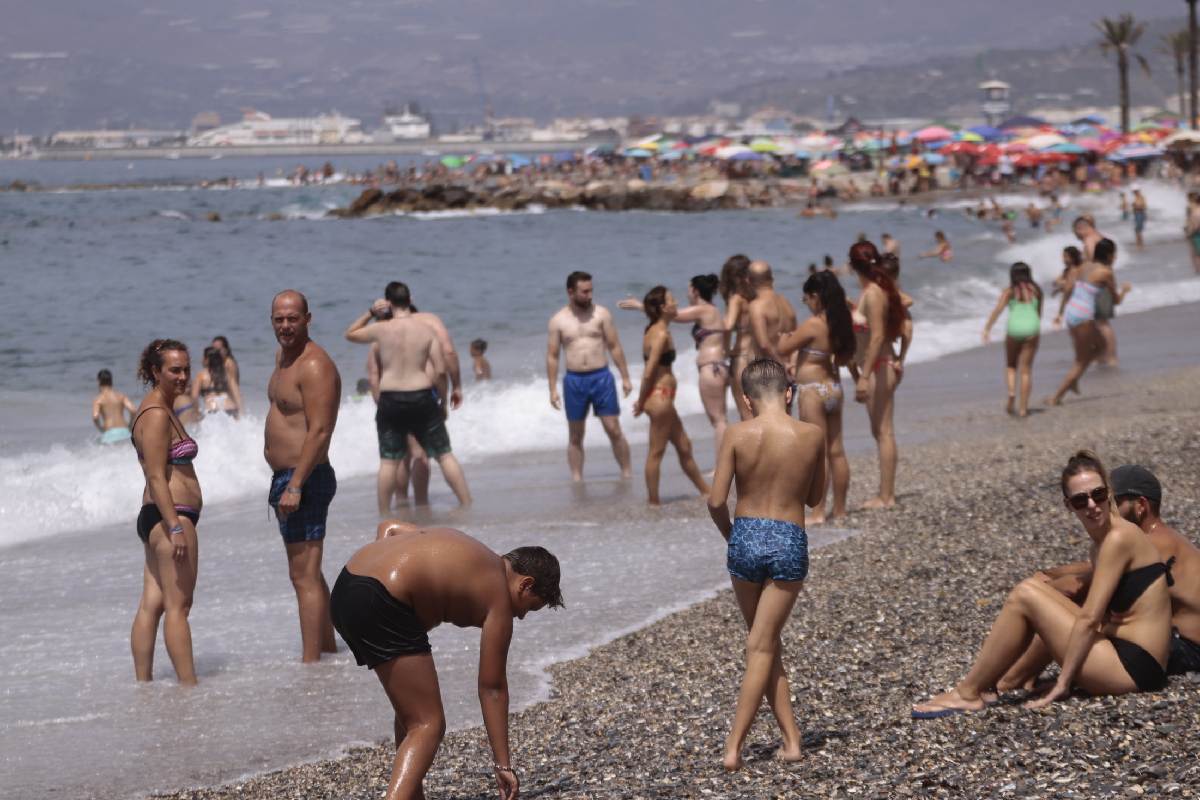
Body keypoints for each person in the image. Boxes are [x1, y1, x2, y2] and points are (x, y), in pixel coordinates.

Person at [912, 450, 1173, 717]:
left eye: (1098, 494)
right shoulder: (1104, 541)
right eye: (1081, 500)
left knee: (1026, 594)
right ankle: (993, 684)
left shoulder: (1118, 538)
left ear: (1108, 492)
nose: (1092, 505)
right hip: (1126, 653)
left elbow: (1089, 619)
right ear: (1068, 505)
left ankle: (968, 693)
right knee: (1035, 590)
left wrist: (1063, 683)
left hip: (1134, 669)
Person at [331, 523, 562, 800]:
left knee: (412, 714)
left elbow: (389, 529)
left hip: (345, 589)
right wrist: (503, 765)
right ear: (526, 584)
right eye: (530, 607)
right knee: (428, 724)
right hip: (382, 602)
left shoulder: (466, 547)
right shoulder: (498, 597)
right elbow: (492, 688)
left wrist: (384, 570)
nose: (522, 616)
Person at [707, 358, 825, 770]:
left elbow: (716, 500)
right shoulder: (811, 436)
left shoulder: (738, 433)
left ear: (746, 399)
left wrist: (732, 536)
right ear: (788, 392)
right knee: (762, 643)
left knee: (763, 643)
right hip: (789, 538)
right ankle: (734, 748)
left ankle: (791, 741)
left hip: (746, 537)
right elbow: (814, 498)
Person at [996, 465, 1200, 691]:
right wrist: (1050, 573)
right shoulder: (1155, 539)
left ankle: (1012, 679)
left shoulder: (1155, 542)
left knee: (1075, 607)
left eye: (1111, 500)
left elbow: (1086, 582)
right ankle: (1022, 675)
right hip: (1174, 640)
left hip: (1189, 649)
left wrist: (1043, 588)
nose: (1103, 507)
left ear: (1141, 505)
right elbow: (1094, 568)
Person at [345, 281, 471, 510]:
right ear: (410, 300)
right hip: (422, 395)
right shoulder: (426, 330)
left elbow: (350, 334)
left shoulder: (381, 329)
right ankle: (466, 503)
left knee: (389, 461)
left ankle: (384, 513)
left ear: (388, 303)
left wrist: (371, 313)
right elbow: (441, 370)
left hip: (391, 397)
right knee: (444, 454)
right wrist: (442, 401)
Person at [265, 289, 342, 663]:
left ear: (307, 319)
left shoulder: (315, 365)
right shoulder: (284, 359)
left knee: (304, 577)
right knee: (309, 572)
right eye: (279, 318)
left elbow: (321, 431)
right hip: (291, 479)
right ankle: (326, 649)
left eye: (292, 318)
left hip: (305, 479)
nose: (285, 326)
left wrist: (295, 484)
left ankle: (313, 666)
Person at [129, 340, 202, 686]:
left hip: (155, 517)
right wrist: (174, 525)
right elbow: (156, 475)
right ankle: (189, 687)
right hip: (169, 516)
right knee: (179, 607)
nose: (183, 376)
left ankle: (143, 686)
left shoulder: (158, 408)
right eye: (174, 369)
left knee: (152, 604)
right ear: (155, 372)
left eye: (186, 368)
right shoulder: (157, 414)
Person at [777, 270, 855, 523]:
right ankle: (840, 510)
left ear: (815, 296)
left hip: (812, 391)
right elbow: (841, 357)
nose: (807, 305)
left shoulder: (813, 324)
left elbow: (784, 348)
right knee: (836, 450)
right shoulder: (839, 322)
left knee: (817, 453)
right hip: (833, 387)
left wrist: (785, 336)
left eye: (806, 299)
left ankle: (819, 512)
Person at [619, 273, 729, 452]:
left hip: (711, 368)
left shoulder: (704, 309)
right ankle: (727, 463)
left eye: (688, 290)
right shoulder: (712, 310)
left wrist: (642, 306)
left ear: (694, 291)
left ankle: (722, 466)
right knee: (721, 418)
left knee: (718, 420)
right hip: (719, 366)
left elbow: (674, 315)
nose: (685, 295)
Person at [546, 271, 633, 482]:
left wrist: (625, 377)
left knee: (613, 428)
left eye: (591, 290)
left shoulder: (601, 314)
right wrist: (552, 389)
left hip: (601, 377)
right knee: (575, 435)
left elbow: (614, 346)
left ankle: (627, 473)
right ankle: (577, 479)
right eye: (584, 291)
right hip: (574, 380)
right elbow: (553, 356)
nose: (589, 295)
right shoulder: (558, 321)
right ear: (570, 292)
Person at [631, 286, 710, 505]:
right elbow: (649, 371)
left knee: (684, 446)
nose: (676, 303)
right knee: (656, 452)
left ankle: (707, 492)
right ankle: (653, 502)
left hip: (663, 398)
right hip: (660, 398)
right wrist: (640, 400)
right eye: (672, 300)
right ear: (664, 308)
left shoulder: (654, 328)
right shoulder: (661, 334)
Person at [849, 241, 906, 509]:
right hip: (882, 364)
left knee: (884, 432)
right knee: (879, 431)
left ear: (852, 267)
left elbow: (879, 335)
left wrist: (863, 375)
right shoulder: (874, 291)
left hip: (878, 366)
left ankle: (886, 496)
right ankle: (885, 494)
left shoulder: (872, 293)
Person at [1050, 239, 1129, 405]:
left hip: (1072, 311)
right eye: (1114, 254)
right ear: (1109, 255)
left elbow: (1069, 287)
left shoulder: (1084, 265)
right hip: (1083, 315)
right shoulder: (1106, 272)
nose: (1115, 257)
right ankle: (1057, 396)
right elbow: (1116, 301)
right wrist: (1125, 291)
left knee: (1100, 346)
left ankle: (1074, 380)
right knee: (1081, 360)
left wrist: (1060, 312)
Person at [981, 262, 1043, 417]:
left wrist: (987, 328)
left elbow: (998, 310)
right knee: (1026, 370)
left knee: (1011, 366)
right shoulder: (1037, 291)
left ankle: (1011, 394)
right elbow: (1039, 313)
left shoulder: (1009, 292)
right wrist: (1034, 329)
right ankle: (1023, 409)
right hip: (1032, 328)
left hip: (1014, 329)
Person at [720, 255, 757, 421]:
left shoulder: (736, 299)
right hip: (758, 355)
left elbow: (727, 326)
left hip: (742, 357)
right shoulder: (756, 298)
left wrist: (725, 350)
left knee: (746, 413)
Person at [746, 260, 798, 376]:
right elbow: (795, 338)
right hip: (787, 369)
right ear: (771, 278)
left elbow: (764, 343)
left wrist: (781, 365)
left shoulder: (756, 306)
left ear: (748, 281)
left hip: (765, 370)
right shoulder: (786, 302)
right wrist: (791, 365)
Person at [192, 345, 243, 418]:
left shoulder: (201, 375)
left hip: (213, 411)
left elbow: (194, 397)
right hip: (231, 409)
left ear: (207, 360)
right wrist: (241, 414)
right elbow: (237, 395)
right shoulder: (227, 374)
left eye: (203, 357)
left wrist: (196, 413)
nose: (201, 360)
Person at [93, 368, 136, 444]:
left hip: (110, 434)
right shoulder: (121, 396)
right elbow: (133, 410)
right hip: (125, 431)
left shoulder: (98, 399)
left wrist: (101, 429)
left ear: (99, 381)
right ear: (111, 381)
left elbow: (95, 416)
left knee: (95, 445)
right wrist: (130, 426)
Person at [1185, 192, 1200, 274]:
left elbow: (1195, 225)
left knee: (1196, 254)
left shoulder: (1195, 212)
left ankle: (1197, 270)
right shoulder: (1192, 210)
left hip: (1196, 234)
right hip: (1196, 233)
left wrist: (1189, 233)